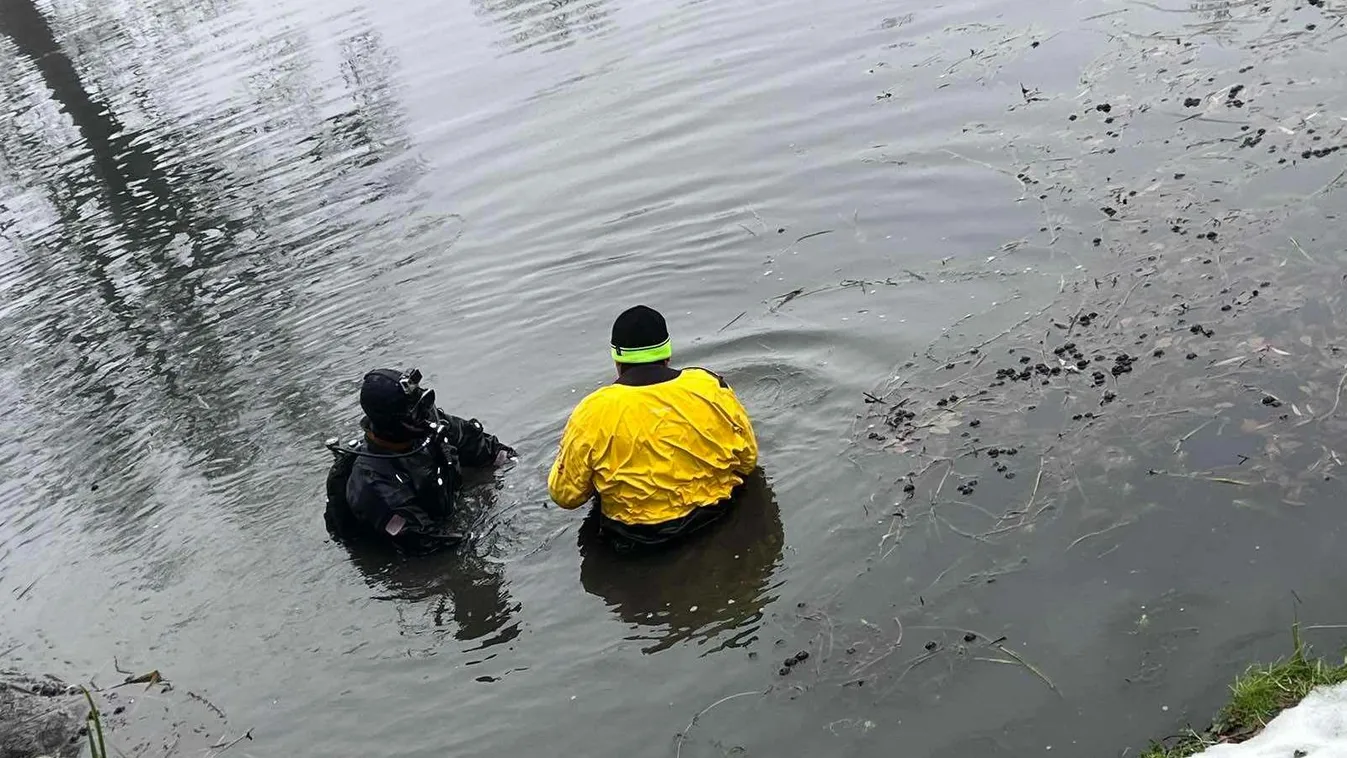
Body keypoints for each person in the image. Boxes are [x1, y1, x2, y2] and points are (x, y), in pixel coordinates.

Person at [548, 305, 758, 548]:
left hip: (635, 539)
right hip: (717, 516)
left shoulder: (592, 411)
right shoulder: (710, 387)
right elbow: (748, 459)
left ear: (617, 359)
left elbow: (565, 496)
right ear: (667, 353)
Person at [325, 367, 513, 553]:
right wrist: (488, 531)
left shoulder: (428, 424)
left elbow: (485, 447)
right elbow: (427, 543)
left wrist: (521, 476)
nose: (426, 416)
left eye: (424, 404)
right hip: (417, 540)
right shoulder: (373, 484)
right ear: (391, 425)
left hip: (446, 505)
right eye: (416, 413)